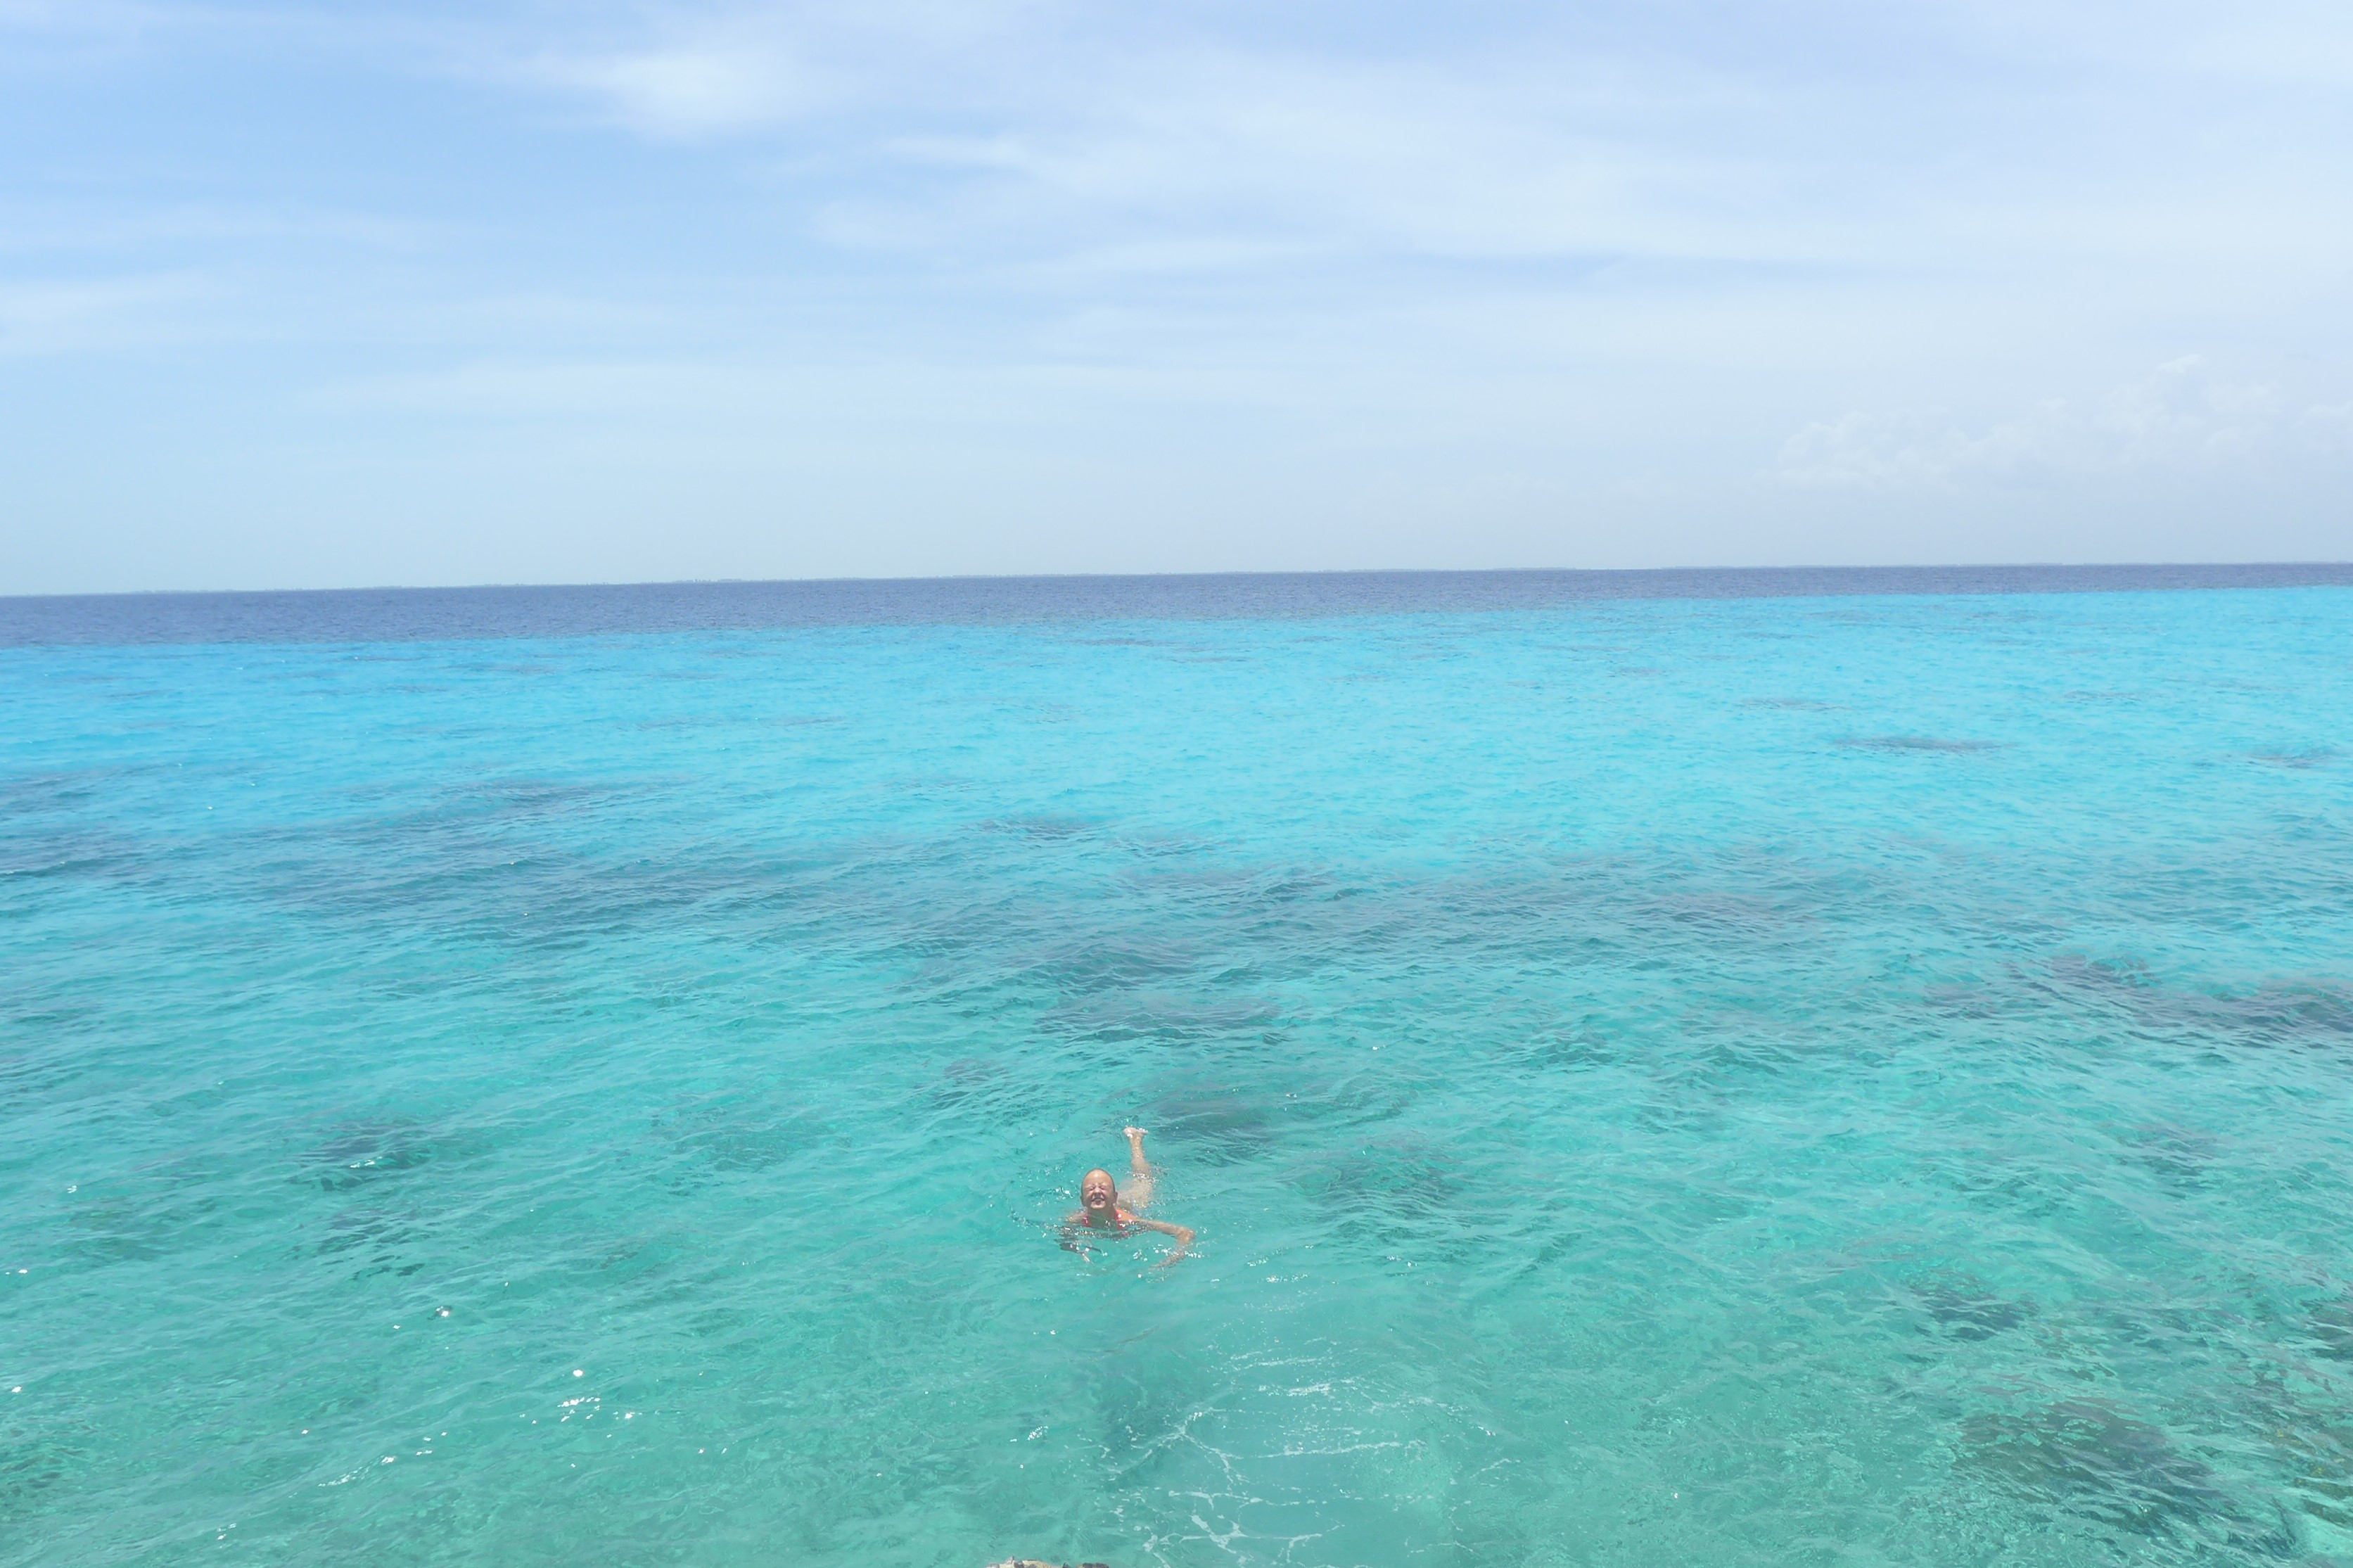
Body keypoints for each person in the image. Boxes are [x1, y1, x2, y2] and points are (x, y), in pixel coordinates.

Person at [1065, 1127, 1194, 1266]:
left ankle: (1136, 1140)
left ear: (1114, 1198)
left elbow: (1185, 1232)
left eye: (1103, 1188)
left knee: (1142, 1177)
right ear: (1082, 1201)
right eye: (1091, 1189)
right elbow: (1065, 1240)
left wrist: (1174, 1258)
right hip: (1118, 1202)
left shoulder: (1129, 1221)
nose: (1097, 1191)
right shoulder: (1075, 1221)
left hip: (1135, 1199)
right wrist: (1079, 1252)